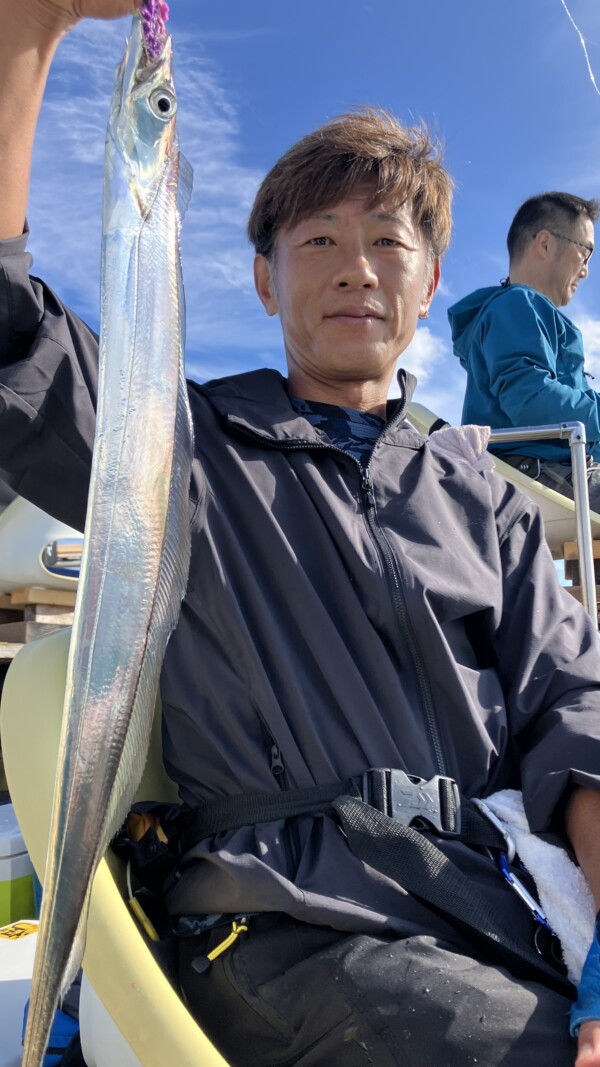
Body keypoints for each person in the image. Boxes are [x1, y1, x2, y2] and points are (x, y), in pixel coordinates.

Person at [2, 4, 600, 1065]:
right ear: (266, 279)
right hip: (285, 919)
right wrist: (27, 32)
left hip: (493, 904)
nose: (356, 267)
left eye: (388, 242)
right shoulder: (177, 442)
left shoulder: (489, 497)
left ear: (427, 287)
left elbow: (574, 709)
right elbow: (10, 339)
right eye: (317, 240)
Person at [448, 192, 600, 509]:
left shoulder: (520, 312)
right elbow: (530, 398)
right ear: (545, 244)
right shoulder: (517, 306)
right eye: (585, 254)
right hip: (542, 471)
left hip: (562, 469)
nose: (585, 271)